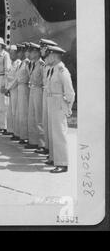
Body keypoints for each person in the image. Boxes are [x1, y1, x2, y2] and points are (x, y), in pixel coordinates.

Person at [44, 45, 75, 173]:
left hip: (58, 103)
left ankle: (62, 163)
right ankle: (54, 158)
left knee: (59, 134)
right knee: (52, 132)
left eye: (48, 55)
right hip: (51, 101)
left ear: (54, 56)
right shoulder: (52, 69)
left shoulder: (62, 70)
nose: (46, 57)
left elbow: (70, 93)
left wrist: (67, 108)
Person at [35, 38, 59, 156]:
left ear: (49, 50)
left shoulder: (50, 65)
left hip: (51, 94)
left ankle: (49, 147)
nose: (41, 50)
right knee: (45, 120)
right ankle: (46, 146)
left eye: (43, 48)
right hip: (45, 92)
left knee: (49, 122)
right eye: (41, 48)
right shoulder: (44, 63)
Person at [26, 43, 45, 150]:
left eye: (33, 52)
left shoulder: (42, 64)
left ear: (38, 53)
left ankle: (42, 144)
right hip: (32, 89)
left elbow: (44, 80)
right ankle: (33, 141)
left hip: (38, 90)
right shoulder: (31, 64)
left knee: (39, 117)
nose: (30, 54)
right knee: (31, 116)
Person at [15, 43, 31, 144]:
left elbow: (30, 75)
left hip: (25, 87)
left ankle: (25, 136)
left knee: (24, 112)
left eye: (24, 51)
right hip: (20, 86)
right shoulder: (22, 62)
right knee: (20, 112)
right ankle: (21, 134)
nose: (20, 53)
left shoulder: (28, 62)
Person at [4, 45, 21, 137]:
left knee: (15, 111)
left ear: (17, 53)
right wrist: (7, 88)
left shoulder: (19, 63)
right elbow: (8, 77)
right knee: (10, 111)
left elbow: (16, 79)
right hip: (10, 89)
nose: (11, 55)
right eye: (10, 53)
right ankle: (10, 129)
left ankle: (16, 132)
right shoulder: (11, 63)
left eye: (12, 53)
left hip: (15, 89)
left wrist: (8, 88)